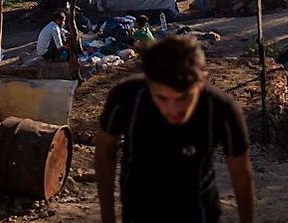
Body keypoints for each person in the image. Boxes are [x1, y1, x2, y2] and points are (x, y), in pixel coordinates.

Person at [94, 36, 254, 223]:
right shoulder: (126, 98)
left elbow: (241, 175)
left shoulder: (221, 109)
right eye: (162, 98)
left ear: (202, 80)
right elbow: (104, 151)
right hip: (139, 211)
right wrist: (108, 217)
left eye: (183, 98)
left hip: (199, 213)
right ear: (149, 83)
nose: (174, 110)